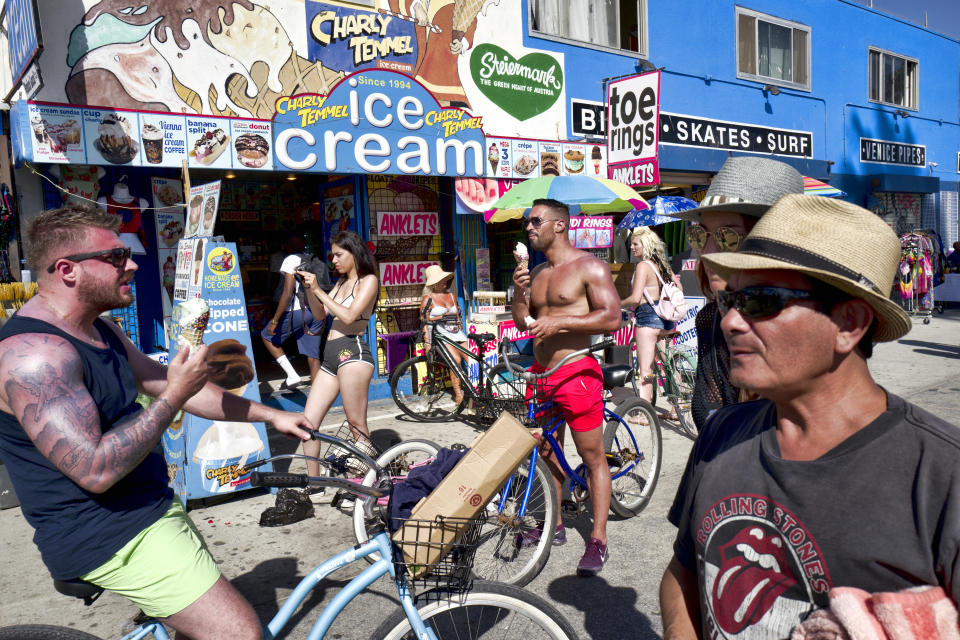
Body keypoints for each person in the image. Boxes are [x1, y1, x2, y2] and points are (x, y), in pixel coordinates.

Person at [0, 204, 314, 640]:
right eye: (113, 258)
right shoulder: (35, 357)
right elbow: (94, 469)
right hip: (104, 531)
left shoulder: (99, 329)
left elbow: (168, 382)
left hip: (147, 506)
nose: (131, 264)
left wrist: (272, 415)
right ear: (67, 270)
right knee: (241, 634)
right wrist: (174, 395)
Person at [659, 194, 960, 639]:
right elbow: (682, 572)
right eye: (730, 301)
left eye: (761, 301)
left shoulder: (941, 474)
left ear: (849, 324)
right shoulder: (722, 433)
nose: (731, 323)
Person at [511, 198, 621, 576]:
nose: (529, 227)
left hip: (576, 372)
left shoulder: (589, 266)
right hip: (541, 375)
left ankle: (598, 539)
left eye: (535, 221)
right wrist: (517, 294)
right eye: (527, 222)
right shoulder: (537, 273)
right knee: (544, 451)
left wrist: (562, 325)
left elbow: (612, 317)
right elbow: (524, 320)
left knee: (591, 456)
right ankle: (554, 525)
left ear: (559, 225)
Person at [672, 156, 804, 432]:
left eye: (726, 237)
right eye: (701, 235)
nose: (707, 253)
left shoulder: (807, 325)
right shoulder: (710, 320)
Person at [297, 231, 379, 478]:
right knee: (307, 425)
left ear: (354, 253)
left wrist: (320, 292)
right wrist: (311, 290)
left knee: (357, 427)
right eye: (332, 255)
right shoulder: (341, 284)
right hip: (330, 356)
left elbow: (349, 316)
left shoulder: (369, 281)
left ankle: (364, 483)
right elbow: (320, 315)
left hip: (352, 353)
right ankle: (314, 483)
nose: (334, 260)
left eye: (339, 255)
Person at [620, 226, 682, 407]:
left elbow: (635, 297)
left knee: (646, 368)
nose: (632, 247)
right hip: (666, 319)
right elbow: (679, 288)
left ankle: (644, 413)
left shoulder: (643, 266)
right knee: (668, 363)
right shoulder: (662, 264)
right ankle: (676, 407)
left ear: (645, 244)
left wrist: (617, 304)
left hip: (647, 318)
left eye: (635, 244)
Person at [261, 234, 327, 389]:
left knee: (267, 336)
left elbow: (287, 293)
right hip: (317, 312)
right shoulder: (315, 259)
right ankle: (317, 393)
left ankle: (292, 375)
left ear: (288, 246)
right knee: (313, 355)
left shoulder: (290, 260)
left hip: (298, 311)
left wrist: (275, 320)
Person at [420, 264, 469, 405]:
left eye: (445, 279)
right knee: (455, 360)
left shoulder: (452, 296)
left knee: (472, 359)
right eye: (441, 279)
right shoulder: (427, 299)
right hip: (441, 335)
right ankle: (458, 395)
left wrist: (461, 331)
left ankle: (475, 390)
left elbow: (458, 319)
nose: (445, 281)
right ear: (434, 283)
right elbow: (425, 323)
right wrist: (428, 343)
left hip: (457, 333)